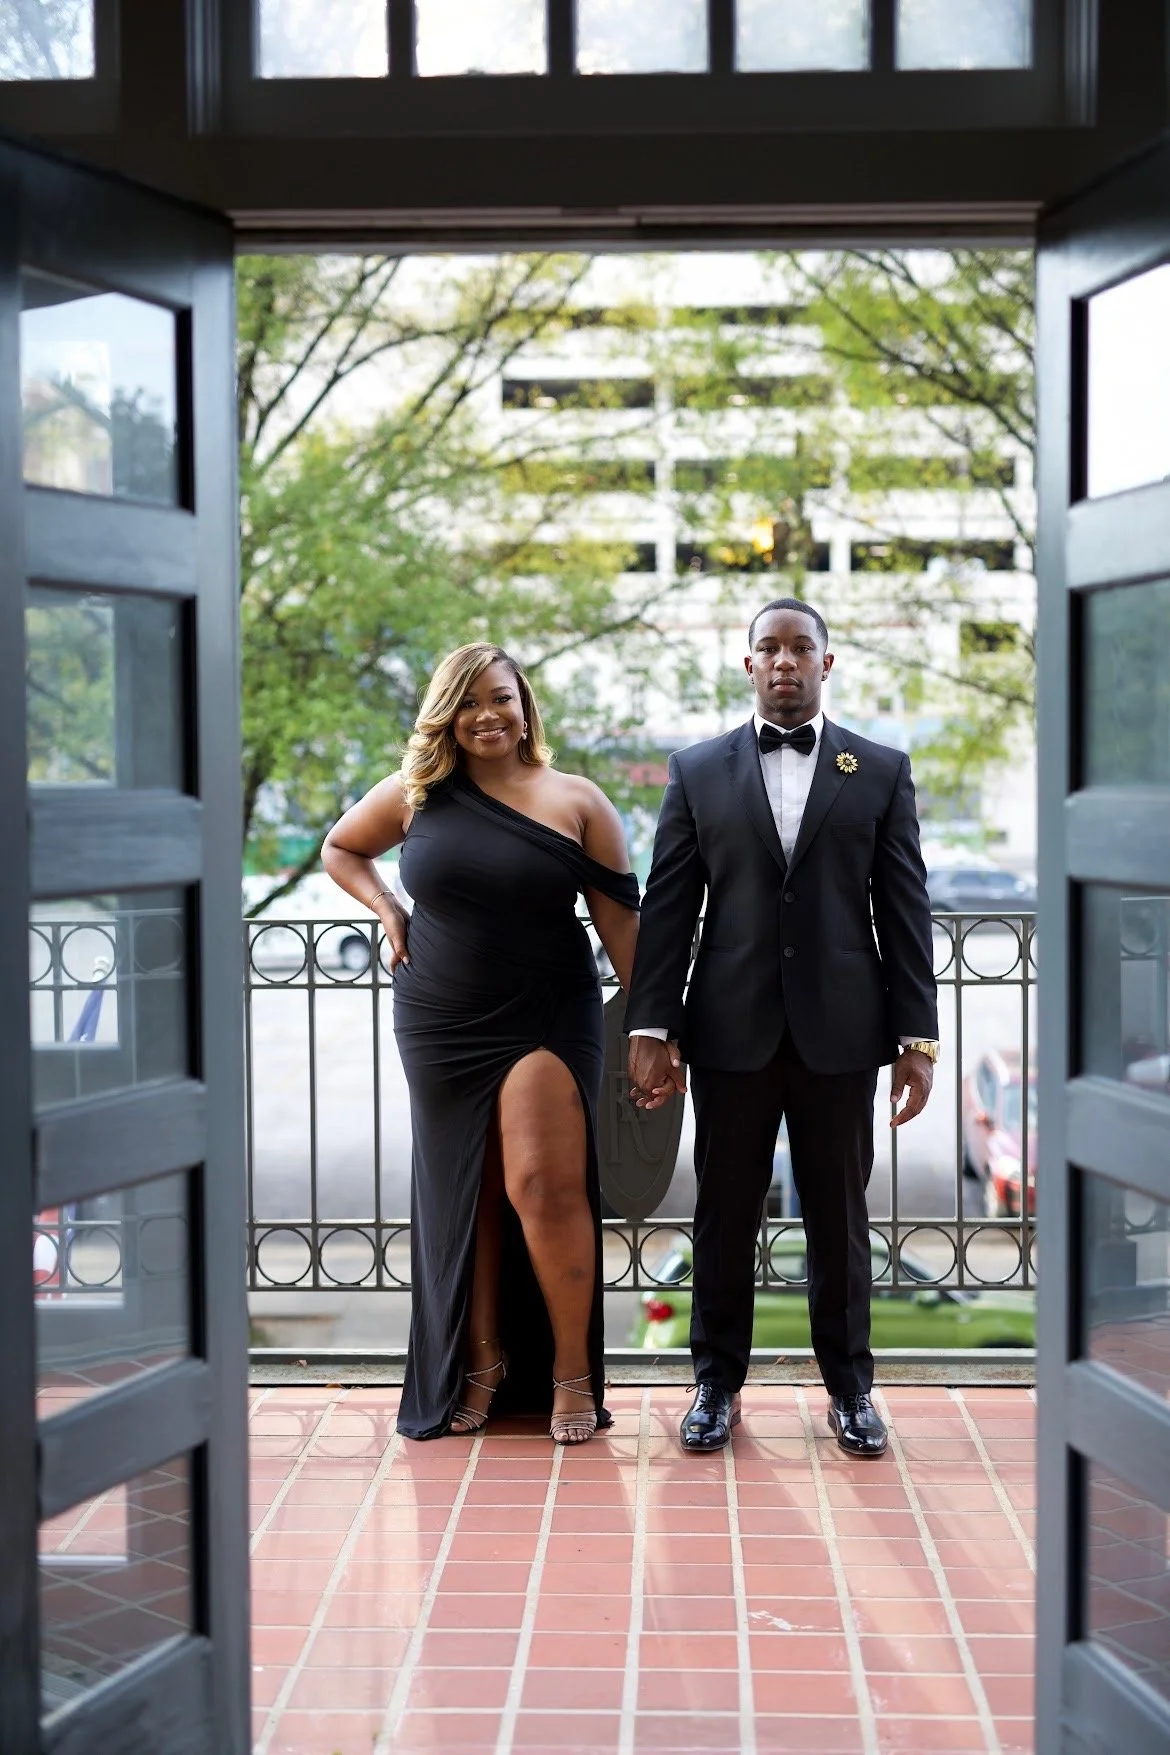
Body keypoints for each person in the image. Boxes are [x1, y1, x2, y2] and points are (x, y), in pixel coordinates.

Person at [626, 599, 939, 1458]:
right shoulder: (696, 771)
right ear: (747, 663)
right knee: (724, 1212)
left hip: (843, 1033)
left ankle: (851, 1390)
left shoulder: (878, 768)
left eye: (802, 647)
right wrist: (652, 1022)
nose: (785, 661)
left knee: (839, 1214)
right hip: (729, 1030)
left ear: (827, 664)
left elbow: (905, 909)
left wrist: (919, 1037)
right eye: (769, 647)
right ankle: (715, 1386)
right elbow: (669, 909)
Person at [323, 643, 648, 1444]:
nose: (487, 715)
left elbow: (627, 930)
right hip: (439, 1016)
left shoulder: (578, 801)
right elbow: (341, 847)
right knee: (466, 1194)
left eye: (501, 698)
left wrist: (656, 1031)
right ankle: (482, 1361)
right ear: (446, 715)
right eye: (469, 703)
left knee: (542, 1186)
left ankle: (571, 1370)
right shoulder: (415, 796)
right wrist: (387, 909)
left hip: (546, 1011)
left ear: (525, 704)